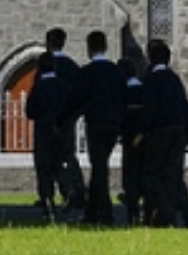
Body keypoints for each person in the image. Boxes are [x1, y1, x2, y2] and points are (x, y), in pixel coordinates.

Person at [57, 30, 127, 225]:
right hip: (113, 125)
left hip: (96, 124)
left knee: (99, 168)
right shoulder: (116, 72)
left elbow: (75, 100)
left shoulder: (87, 73)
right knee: (99, 167)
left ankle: (105, 213)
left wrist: (61, 120)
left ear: (89, 48)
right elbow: (124, 99)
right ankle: (92, 212)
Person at [139, 39, 188, 227]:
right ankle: (173, 214)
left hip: (160, 130)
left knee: (151, 174)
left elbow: (149, 109)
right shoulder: (175, 80)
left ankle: (166, 211)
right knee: (172, 175)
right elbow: (186, 108)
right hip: (178, 130)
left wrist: (142, 131)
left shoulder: (151, 80)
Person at [26, 52, 71, 219]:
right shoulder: (64, 86)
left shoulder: (38, 88)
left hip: (43, 133)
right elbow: (71, 108)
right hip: (60, 132)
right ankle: (67, 191)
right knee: (58, 165)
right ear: (55, 67)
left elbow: (30, 112)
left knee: (43, 168)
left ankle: (48, 202)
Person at [46, 27, 86, 212]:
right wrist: (73, 115)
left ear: (48, 43)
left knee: (52, 159)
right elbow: (80, 95)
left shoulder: (47, 65)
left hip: (50, 121)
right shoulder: (72, 67)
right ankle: (77, 191)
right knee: (69, 156)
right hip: (67, 120)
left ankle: (65, 192)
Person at [118, 57, 147, 225]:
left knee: (131, 177)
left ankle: (133, 213)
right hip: (145, 140)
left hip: (131, 140)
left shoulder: (126, 93)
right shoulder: (144, 90)